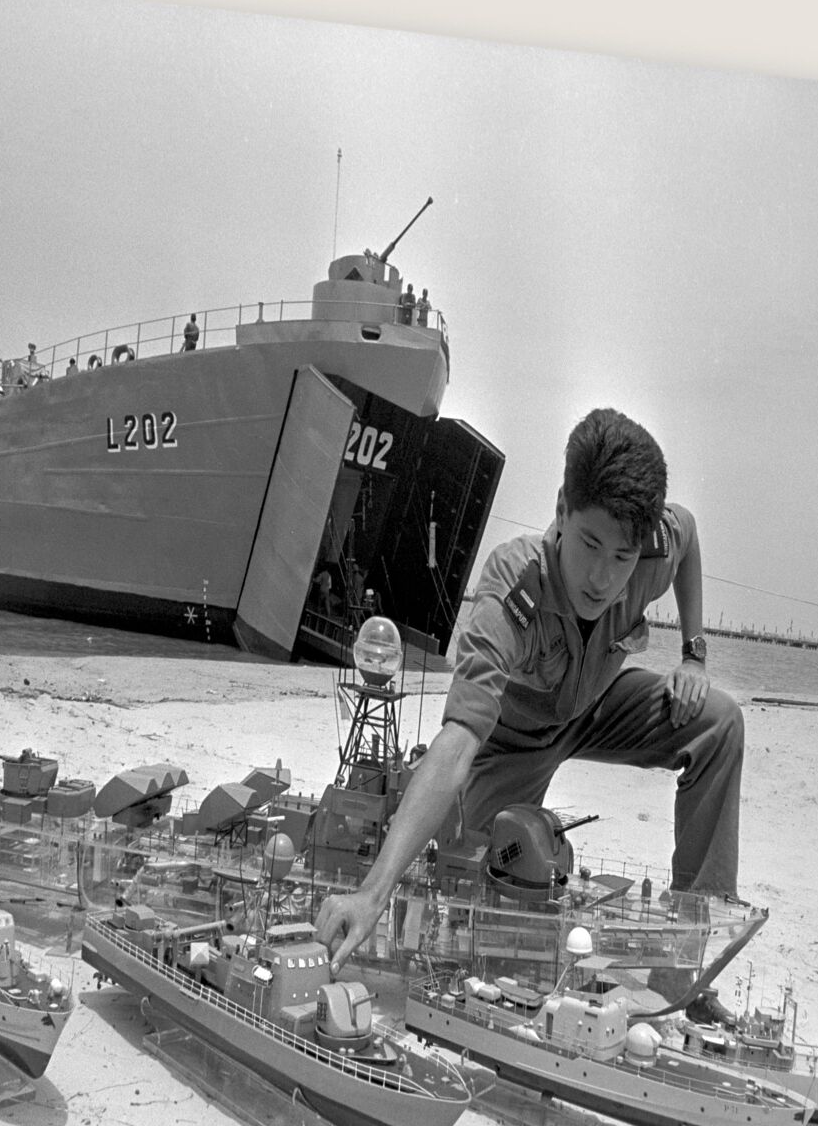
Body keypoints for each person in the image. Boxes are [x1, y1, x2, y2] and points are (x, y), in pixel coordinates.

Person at [316, 407, 744, 973]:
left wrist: (694, 654)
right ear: (562, 510)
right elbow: (460, 738)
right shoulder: (511, 587)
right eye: (589, 544)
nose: (602, 578)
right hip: (510, 741)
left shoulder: (652, 546)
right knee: (478, 882)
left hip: (595, 709)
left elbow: (687, 537)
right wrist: (372, 894)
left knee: (719, 722)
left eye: (621, 557)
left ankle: (694, 947)